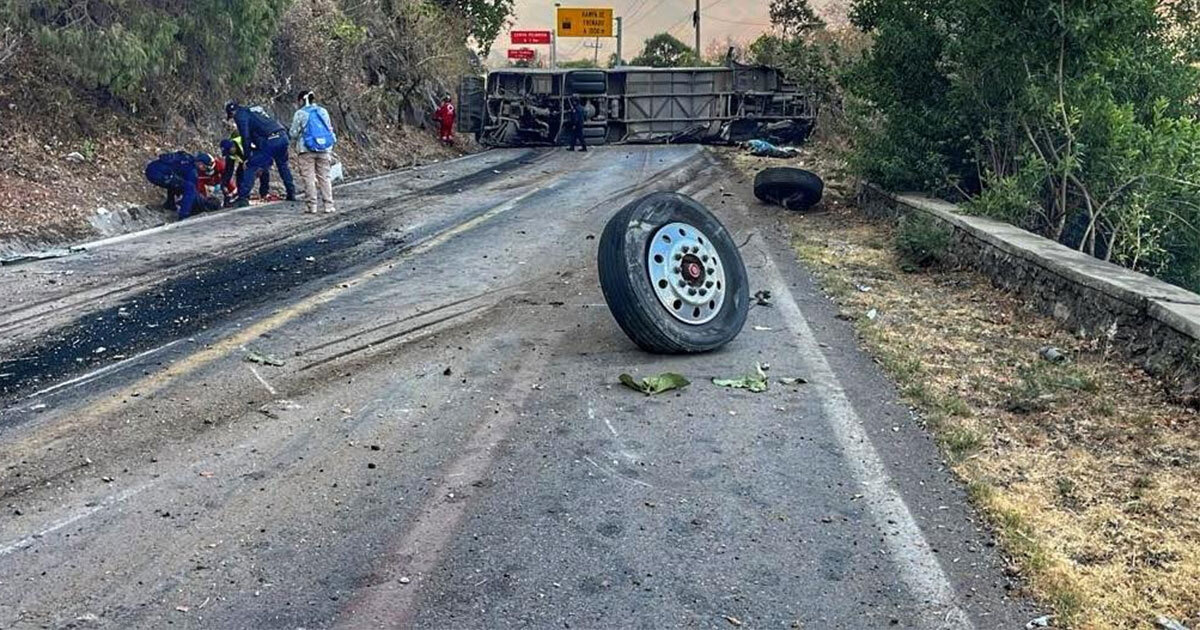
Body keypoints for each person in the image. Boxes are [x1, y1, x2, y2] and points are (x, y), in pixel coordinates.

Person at [225, 100, 297, 208]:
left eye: (232, 117)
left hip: (270, 140)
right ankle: (291, 193)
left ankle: (243, 198)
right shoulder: (255, 111)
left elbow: (246, 137)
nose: (234, 120)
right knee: (282, 165)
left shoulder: (241, 115)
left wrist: (247, 157)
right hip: (282, 136)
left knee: (251, 165)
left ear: (232, 113)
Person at [290, 89, 338, 214]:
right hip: (324, 148)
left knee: (309, 178)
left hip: (306, 149)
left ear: (301, 100)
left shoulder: (300, 114)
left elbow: (293, 133)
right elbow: (329, 128)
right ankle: (329, 205)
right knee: (325, 177)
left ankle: (312, 206)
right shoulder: (323, 111)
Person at [144, 151, 219, 220]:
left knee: (176, 182)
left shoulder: (188, 159)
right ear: (201, 164)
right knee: (190, 188)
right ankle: (184, 215)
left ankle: (170, 204)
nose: (204, 170)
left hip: (153, 169)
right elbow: (191, 191)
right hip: (159, 174)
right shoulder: (192, 170)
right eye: (205, 167)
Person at [220, 133, 270, 206]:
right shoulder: (230, 154)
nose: (230, 154)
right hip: (245, 159)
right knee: (239, 173)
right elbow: (228, 171)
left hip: (259, 154)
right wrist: (224, 185)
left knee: (262, 172)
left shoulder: (244, 141)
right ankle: (242, 196)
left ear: (233, 147)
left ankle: (264, 193)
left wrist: (260, 167)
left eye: (229, 152)